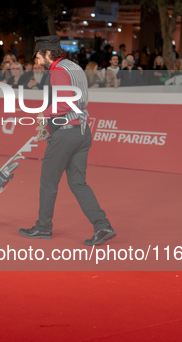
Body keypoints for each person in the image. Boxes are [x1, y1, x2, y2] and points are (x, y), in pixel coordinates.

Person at [19, 35, 115, 245]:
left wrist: (44, 115)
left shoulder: (58, 72)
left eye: (38, 57)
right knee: (78, 183)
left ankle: (43, 228)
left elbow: (64, 104)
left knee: (48, 183)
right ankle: (103, 225)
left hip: (65, 134)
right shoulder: (74, 67)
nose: (37, 62)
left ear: (47, 53)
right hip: (82, 132)